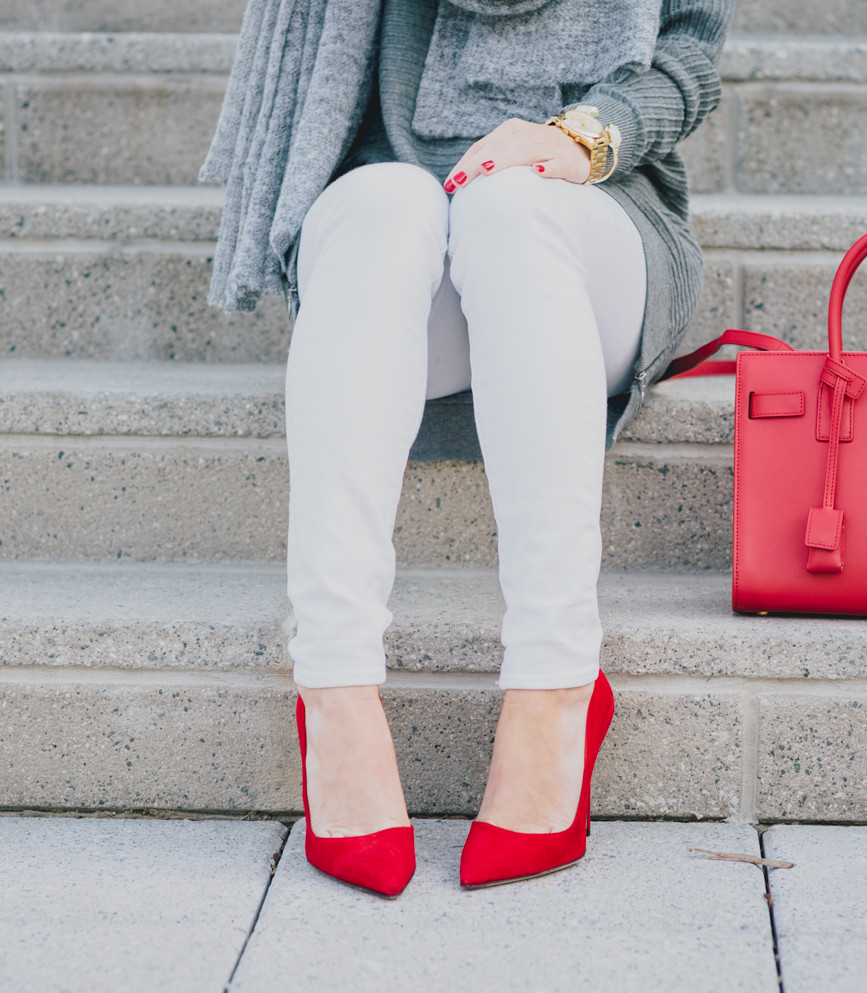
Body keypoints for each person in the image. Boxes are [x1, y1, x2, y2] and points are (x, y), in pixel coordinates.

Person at [209, 0, 732, 897]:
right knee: (380, 202)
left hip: (595, 216)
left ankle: (556, 680)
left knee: (508, 205)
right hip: (396, 241)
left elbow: (691, 49)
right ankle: (332, 687)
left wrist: (584, 137)